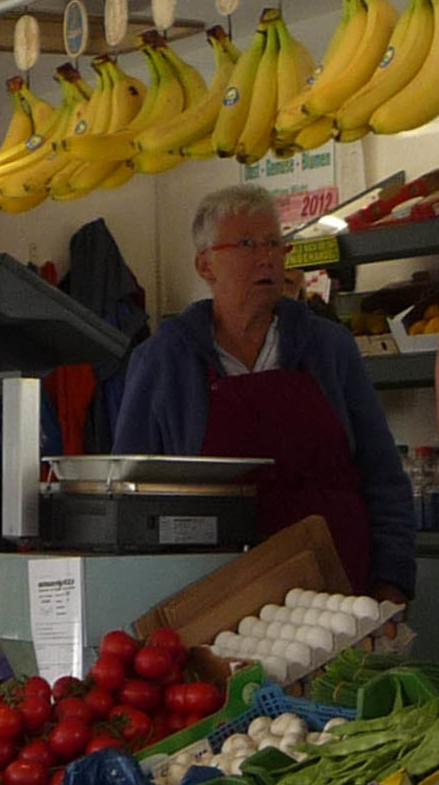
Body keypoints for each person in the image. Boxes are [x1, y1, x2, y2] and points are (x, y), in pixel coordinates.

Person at [112, 184, 416, 603]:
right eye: (247, 243)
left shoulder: (329, 347)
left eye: (275, 243)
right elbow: (132, 499)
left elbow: (382, 475)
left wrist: (392, 581)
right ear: (205, 265)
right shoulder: (163, 360)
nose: (266, 257)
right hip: (216, 597)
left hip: (340, 591)